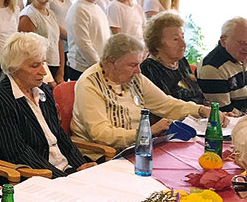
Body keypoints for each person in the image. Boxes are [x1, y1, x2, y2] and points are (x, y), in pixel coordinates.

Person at [72, 33, 223, 150]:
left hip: (136, 147)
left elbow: (166, 104)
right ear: (111, 63)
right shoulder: (90, 83)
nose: (138, 71)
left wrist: (201, 110)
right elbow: (101, 134)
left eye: (139, 64)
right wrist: (146, 132)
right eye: (132, 65)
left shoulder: (134, 78)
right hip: (104, 154)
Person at [0, 32, 92, 175]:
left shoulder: (44, 90)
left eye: (43, 63)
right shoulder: (1, 100)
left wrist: (81, 166)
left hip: (64, 169)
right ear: (13, 68)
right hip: (36, 176)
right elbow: (18, 153)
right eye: (35, 66)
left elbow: (58, 134)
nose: (43, 71)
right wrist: (63, 177)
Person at [140, 12, 205, 104]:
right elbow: (161, 107)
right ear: (157, 44)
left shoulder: (181, 61)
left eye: (183, 37)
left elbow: (197, 94)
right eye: (175, 39)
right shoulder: (149, 69)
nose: (183, 44)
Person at [65, 0, 111, 81]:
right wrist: (99, 66)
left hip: (98, 66)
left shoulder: (96, 7)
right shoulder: (79, 9)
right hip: (83, 69)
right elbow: (83, 44)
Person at [19, 0, 63, 82]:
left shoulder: (51, 13)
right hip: (39, 70)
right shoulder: (29, 15)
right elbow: (30, 52)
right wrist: (48, 78)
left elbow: (57, 42)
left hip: (54, 65)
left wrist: (60, 73)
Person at [198, 17, 247, 114]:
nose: (246, 48)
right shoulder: (212, 68)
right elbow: (225, 112)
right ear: (224, 41)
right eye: (242, 43)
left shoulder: (240, 57)